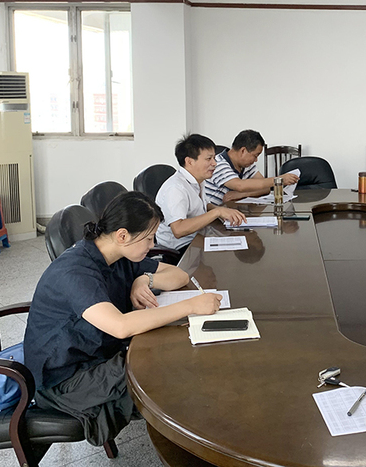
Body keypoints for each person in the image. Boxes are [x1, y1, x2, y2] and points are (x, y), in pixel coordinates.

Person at [23, 192, 222, 446]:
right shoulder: (75, 272)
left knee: (172, 354)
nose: (152, 245)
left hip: (97, 354)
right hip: (66, 380)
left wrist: (144, 279)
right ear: (122, 235)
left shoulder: (117, 256)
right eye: (148, 238)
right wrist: (190, 306)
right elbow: (120, 326)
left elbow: (179, 276)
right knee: (171, 370)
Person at [155, 134, 246, 253]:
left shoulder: (198, 180)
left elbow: (205, 205)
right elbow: (178, 230)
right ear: (189, 161)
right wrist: (217, 212)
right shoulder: (176, 188)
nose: (214, 163)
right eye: (209, 159)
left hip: (198, 236)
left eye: (214, 158)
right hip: (179, 248)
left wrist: (223, 211)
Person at [204, 129, 299, 206]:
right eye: (255, 155)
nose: (256, 160)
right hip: (211, 217)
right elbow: (240, 185)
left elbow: (265, 188)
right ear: (243, 151)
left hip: (231, 212)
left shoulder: (247, 165)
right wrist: (278, 180)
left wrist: (241, 194)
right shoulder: (218, 164)